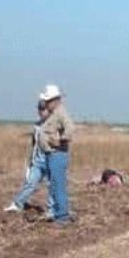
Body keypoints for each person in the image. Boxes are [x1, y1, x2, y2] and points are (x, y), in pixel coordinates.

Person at [3, 99, 58, 219]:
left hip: (50, 161)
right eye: (39, 109)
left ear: (48, 110)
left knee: (51, 185)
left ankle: (51, 210)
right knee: (30, 183)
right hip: (37, 161)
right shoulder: (37, 126)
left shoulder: (54, 125)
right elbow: (34, 144)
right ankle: (17, 204)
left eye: (43, 109)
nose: (41, 111)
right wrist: (30, 163)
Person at [38, 84, 75, 225]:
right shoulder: (54, 113)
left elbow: (70, 127)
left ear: (54, 100)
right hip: (51, 154)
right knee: (54, 185)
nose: (45, 104)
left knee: (58, 185)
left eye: (47, 101)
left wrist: (60, 140)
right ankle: (56, 212)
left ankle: (62, 216)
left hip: (57, 154)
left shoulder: (61, 113)